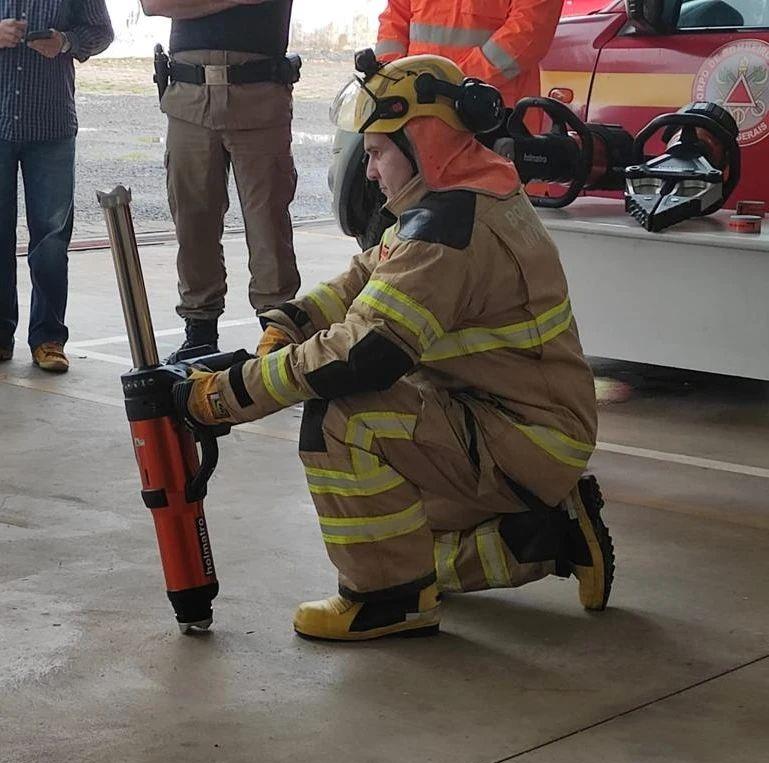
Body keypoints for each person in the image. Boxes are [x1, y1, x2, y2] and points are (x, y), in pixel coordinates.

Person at [174, 53, 614, 642]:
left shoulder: (449, 234)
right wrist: (291, 322)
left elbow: (361, 354)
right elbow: (369, 274)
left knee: (343, 417)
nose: (372, 171)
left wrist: (226, 397)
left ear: (424, 142)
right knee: (396, 532)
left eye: (378, 152)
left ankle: (388, 602)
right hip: (522, 429)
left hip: (520, 436)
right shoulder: (465, 196)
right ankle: (552, 535)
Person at [140, 0, 301, 354]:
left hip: (259, 93)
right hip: (188, 95)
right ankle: (200, 331)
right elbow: (152, 5)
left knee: (267, 224)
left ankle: (277, 332)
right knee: (192, 218)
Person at [0, 0, 113, 372]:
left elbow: (101, 32)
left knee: (50, 240)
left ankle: (48, 337)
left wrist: (64, 41)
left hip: (50, 126)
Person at [375, 0, 564, 108]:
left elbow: (529, 32)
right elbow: (394, 22)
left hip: (492, 111)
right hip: (420, 105)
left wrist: (452, 85)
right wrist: (391, 83)